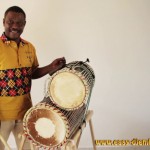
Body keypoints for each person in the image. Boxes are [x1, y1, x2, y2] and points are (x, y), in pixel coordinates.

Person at [0, 6, 66, 149]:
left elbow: (32, 72)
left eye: (19, 23)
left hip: (25, 112)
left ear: (24, 24)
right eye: (10, 22)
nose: (15, 26)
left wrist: (51, 66)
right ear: (3, 21)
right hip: (2, 115)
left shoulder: (29, 47)